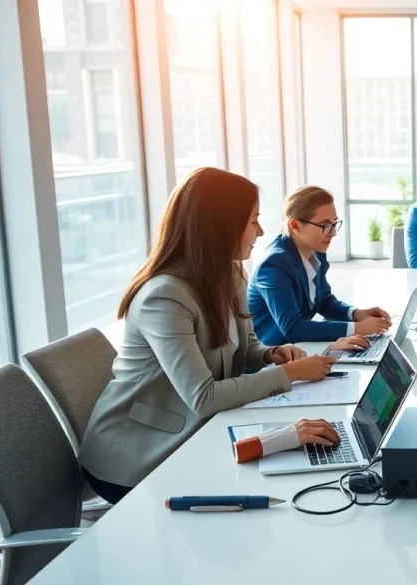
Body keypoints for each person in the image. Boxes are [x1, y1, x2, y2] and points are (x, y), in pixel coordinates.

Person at [79, 168, 345, 505]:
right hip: (136, 455)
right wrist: (288, 374)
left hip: (195, 430)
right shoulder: (164, 297)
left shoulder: (229, 272)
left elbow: (244, 345)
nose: (261, 231)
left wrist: (270, 354)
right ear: (221, 227)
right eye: (253, 221)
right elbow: (203, 397)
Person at [248, 185, 392, 345]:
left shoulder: (316, 251)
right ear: (295, 225)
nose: (333, 233)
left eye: (334, 224)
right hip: (274, 353)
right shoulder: (274, 264)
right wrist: (358, 328)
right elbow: (293, 329)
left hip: (301, 348)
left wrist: (357, 314)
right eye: (325, 225)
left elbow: (324, 301)